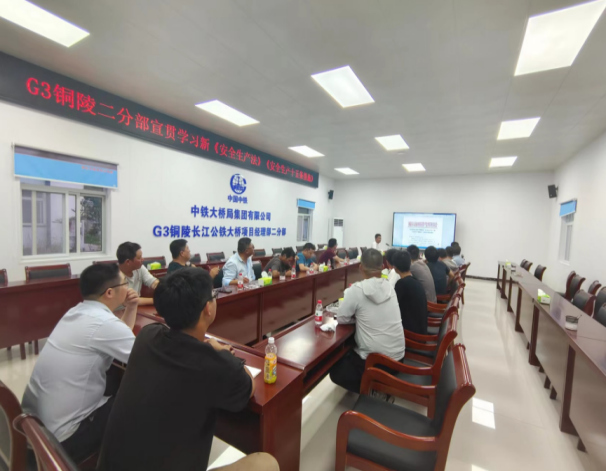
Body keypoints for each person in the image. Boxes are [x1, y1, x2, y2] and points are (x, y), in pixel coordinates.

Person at [98, 269, 278, 471]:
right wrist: (222, 353)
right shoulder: (213, 365)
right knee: (267, 463)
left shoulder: (147, 335)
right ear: (207, 308)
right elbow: (249, 386)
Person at [22, 264, 138, 462]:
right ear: (110, 292)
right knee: (137, 394)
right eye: (125, 283)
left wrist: (131, 307)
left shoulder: (77, 312)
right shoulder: (104, 323)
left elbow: (119, 337)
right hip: (64, 440)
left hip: (33, 429)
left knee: (114, 376)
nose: (128, 287)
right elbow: (141, 357)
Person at [329, 249, 405, 394]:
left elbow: (342, 318)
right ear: (382, 267)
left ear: (360, 267)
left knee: (336, 370)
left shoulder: (356, 290)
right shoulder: (390, 287)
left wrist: (357, 317)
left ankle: (372, 389)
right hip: (398, 360)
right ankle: (377, 386)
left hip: (375, 364)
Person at [392, 251, 428, 335]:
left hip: (411, 335)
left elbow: (393, 307)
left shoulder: (401, 284)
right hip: (421, 330)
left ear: (395, 268)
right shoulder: (415, 280)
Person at [117, 241, 159, 306]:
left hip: (135, 308)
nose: (143, 259)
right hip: (119, 310)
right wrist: (158, 300)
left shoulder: (140, 268)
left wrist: (161, 287)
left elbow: (153, 282)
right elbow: (132, 300)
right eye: (139, 258)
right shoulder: (115, 276)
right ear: (128, 262)